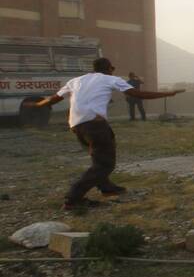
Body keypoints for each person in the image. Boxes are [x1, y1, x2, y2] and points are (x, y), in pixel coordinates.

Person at [33, 57, 183, 209]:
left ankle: (107, 187)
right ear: (108, 68)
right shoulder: (109, 79)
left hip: (76, 125)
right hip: (94, 124)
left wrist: (36, 104)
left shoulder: (75, 80)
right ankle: (73, 199)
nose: (113, 71)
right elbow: (137, 94)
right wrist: (168, 94)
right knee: (105, 164)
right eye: (112, 68)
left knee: (100, 155)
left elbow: (53, 99)